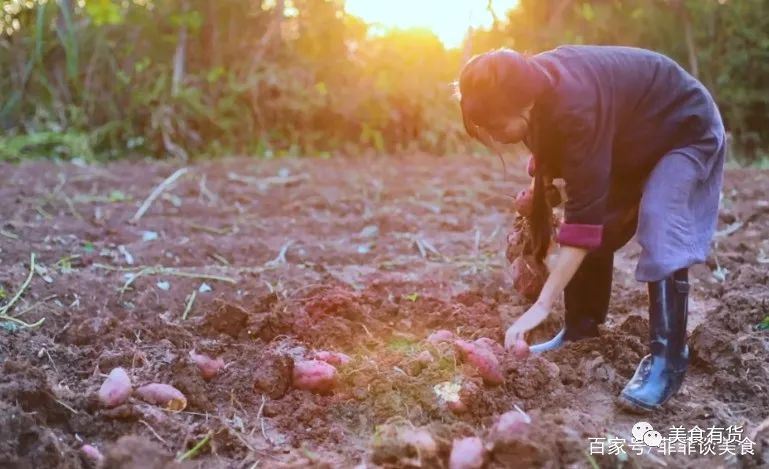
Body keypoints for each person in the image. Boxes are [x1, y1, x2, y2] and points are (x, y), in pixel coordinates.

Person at [457, 45, 725, 412]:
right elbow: (570, 175)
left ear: (524, 104)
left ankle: (668, 358)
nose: (497, 136)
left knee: (660, 224)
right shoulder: (532, 90)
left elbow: (583, 219)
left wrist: (542, 304)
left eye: (498, 125)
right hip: (631, 141)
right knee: (601, 227)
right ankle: (581, 329)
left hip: (683, 130)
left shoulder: (576, 105)